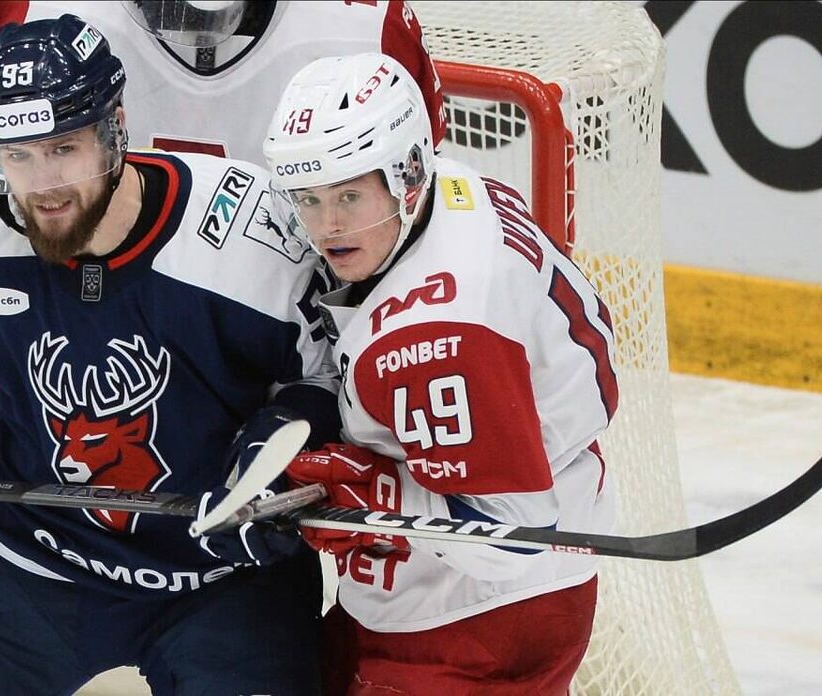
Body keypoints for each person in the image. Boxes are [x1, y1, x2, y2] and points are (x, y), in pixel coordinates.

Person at [0, 3, 445, 692]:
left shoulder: (250, 239)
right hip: (27, 562)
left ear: (115, 130)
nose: (44, 185)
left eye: (64, 148)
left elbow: (324, 380)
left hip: (223, 579)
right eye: (18, 156)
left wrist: (278, 458)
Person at [263, 53, 618, 695]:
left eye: (349, 196)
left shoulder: (435, 341)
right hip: (451, 585)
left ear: (406, 174)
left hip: (477, 618)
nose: (327, 226)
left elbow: (511, 533)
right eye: (309, 199)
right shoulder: (451, 187)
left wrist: (377, 495)